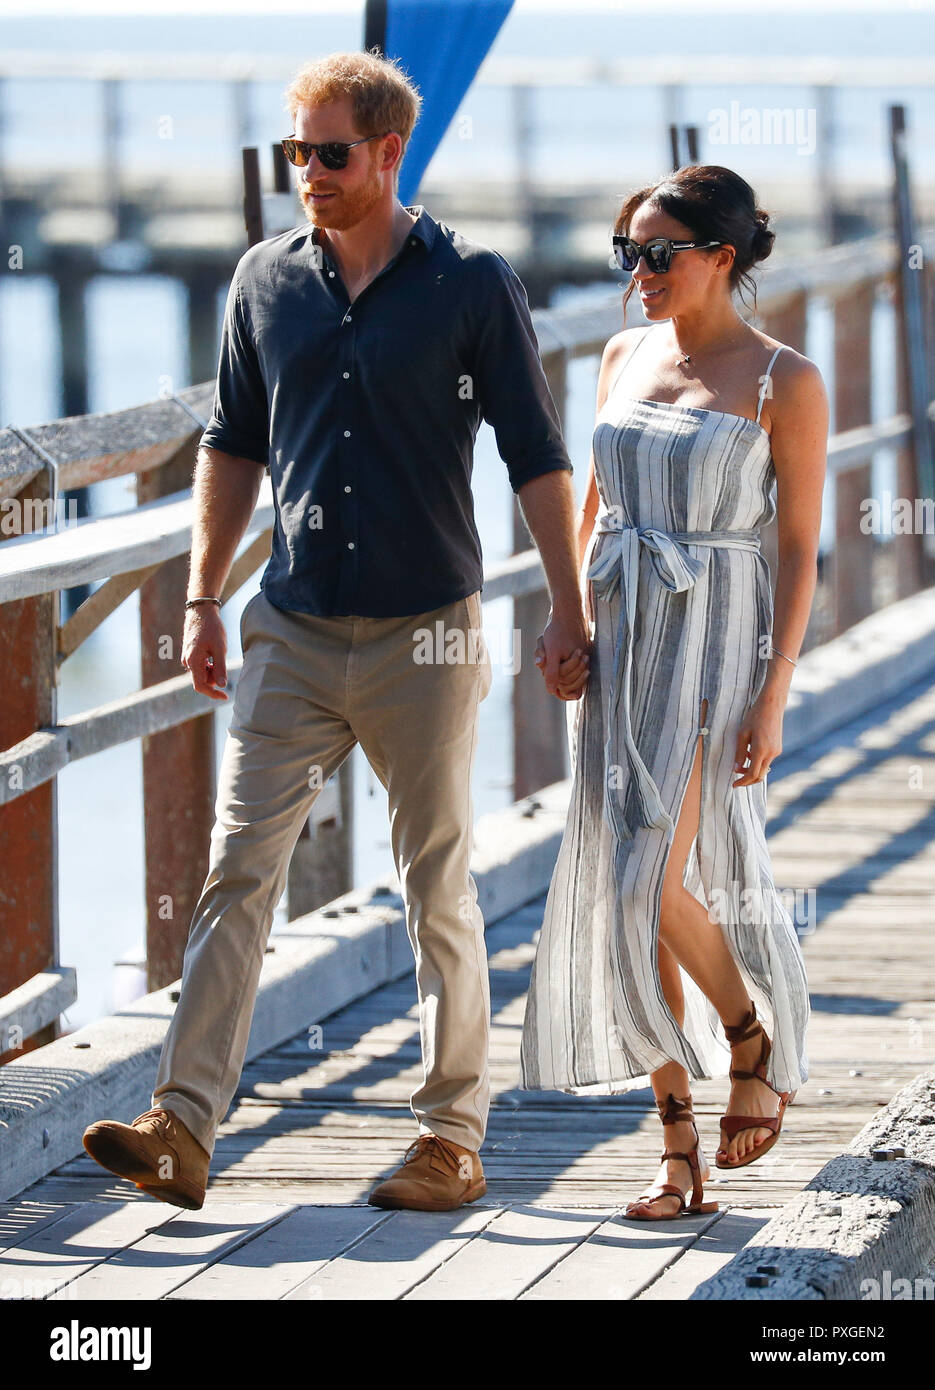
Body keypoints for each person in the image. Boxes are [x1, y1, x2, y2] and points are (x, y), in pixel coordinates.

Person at [82, 49, 589, 1215]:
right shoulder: (263, 281)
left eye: (327, 152)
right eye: (292, 152)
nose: (304, 172)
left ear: (386, 152)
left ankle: (449, 1138)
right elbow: (231, 445)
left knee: (435, 885)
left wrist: (569, 607)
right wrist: (204, 597)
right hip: (293, 628)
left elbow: (537, 457)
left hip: (426, 631)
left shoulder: (470, 283)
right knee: (234, 873)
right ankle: (183, 1126)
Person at [522, 165, 828, 1219]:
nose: (638, 273)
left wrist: (772, 691)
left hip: (711, 644)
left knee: (643, 881)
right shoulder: (619, 354)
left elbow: (796, 552)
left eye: (658, 253)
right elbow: (588, 505)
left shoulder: (781, 379)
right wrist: (564, 620)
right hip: (619, 635)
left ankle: (749, 1035)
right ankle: (674, 1147)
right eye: (627, 253)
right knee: (621, 885)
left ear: (721, 257)